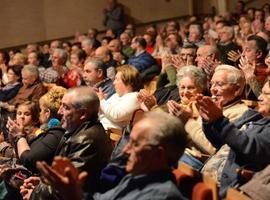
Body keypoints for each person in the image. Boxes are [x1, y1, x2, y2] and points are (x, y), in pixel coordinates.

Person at [29, 112, 188, 200]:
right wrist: (69, 189)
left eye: (135, 144)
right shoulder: (136, 177)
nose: (125, 150)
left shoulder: (160, 196)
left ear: (158, 154)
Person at [22, 86, 113, 199]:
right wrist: (42, 182)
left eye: (65, 107)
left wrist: (35, 194)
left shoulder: (86, 140)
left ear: (83, 114)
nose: (60, 111)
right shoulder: (79, 131)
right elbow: (62, 179)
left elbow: (69, 185)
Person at [196, 80, 270, 198]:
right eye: (261, 93)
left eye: (266, 94)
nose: (260, 97)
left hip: (229, 189)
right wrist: (208, 121)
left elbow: (250, 147)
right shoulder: (252, 115)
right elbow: (220, 142)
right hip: (207, 177)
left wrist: (219, 120)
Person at [97, 65, 141, 130]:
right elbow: (102, 113)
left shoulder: (135, 97)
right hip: (100, 127)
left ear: (128, 82)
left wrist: (101, 100)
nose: (114, 83)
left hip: (111, 134)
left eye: (117, 79)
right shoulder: (116, 95)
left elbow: (116, 115)